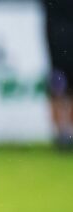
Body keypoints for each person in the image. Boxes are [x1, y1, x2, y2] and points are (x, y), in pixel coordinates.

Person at [43, 0, 73, 149]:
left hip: (57, 44)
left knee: (61, 90)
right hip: (57, 47)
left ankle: (65, 132)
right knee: (59, 89)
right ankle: (62, 131)